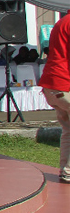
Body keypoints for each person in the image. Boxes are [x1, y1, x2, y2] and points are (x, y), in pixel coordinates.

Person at [38, 13, 70, 183]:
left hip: (52, 84)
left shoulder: (62, 22)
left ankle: (67, 171)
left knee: (68, 128)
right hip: (63, 83)